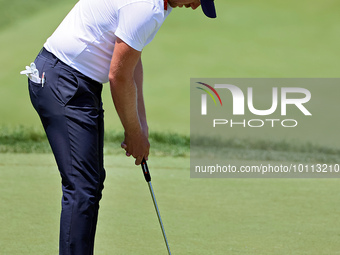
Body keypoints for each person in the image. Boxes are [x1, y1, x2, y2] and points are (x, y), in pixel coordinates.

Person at [23, 0, 216, 254]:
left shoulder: (161, 6)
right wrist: (133, 133)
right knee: (82, 186)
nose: (195, 6)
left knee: (89, 183)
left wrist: (141, 125)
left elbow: (131, 61)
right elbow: (119, 77)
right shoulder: (147, 8)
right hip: (63, 80)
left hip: (77, 82)